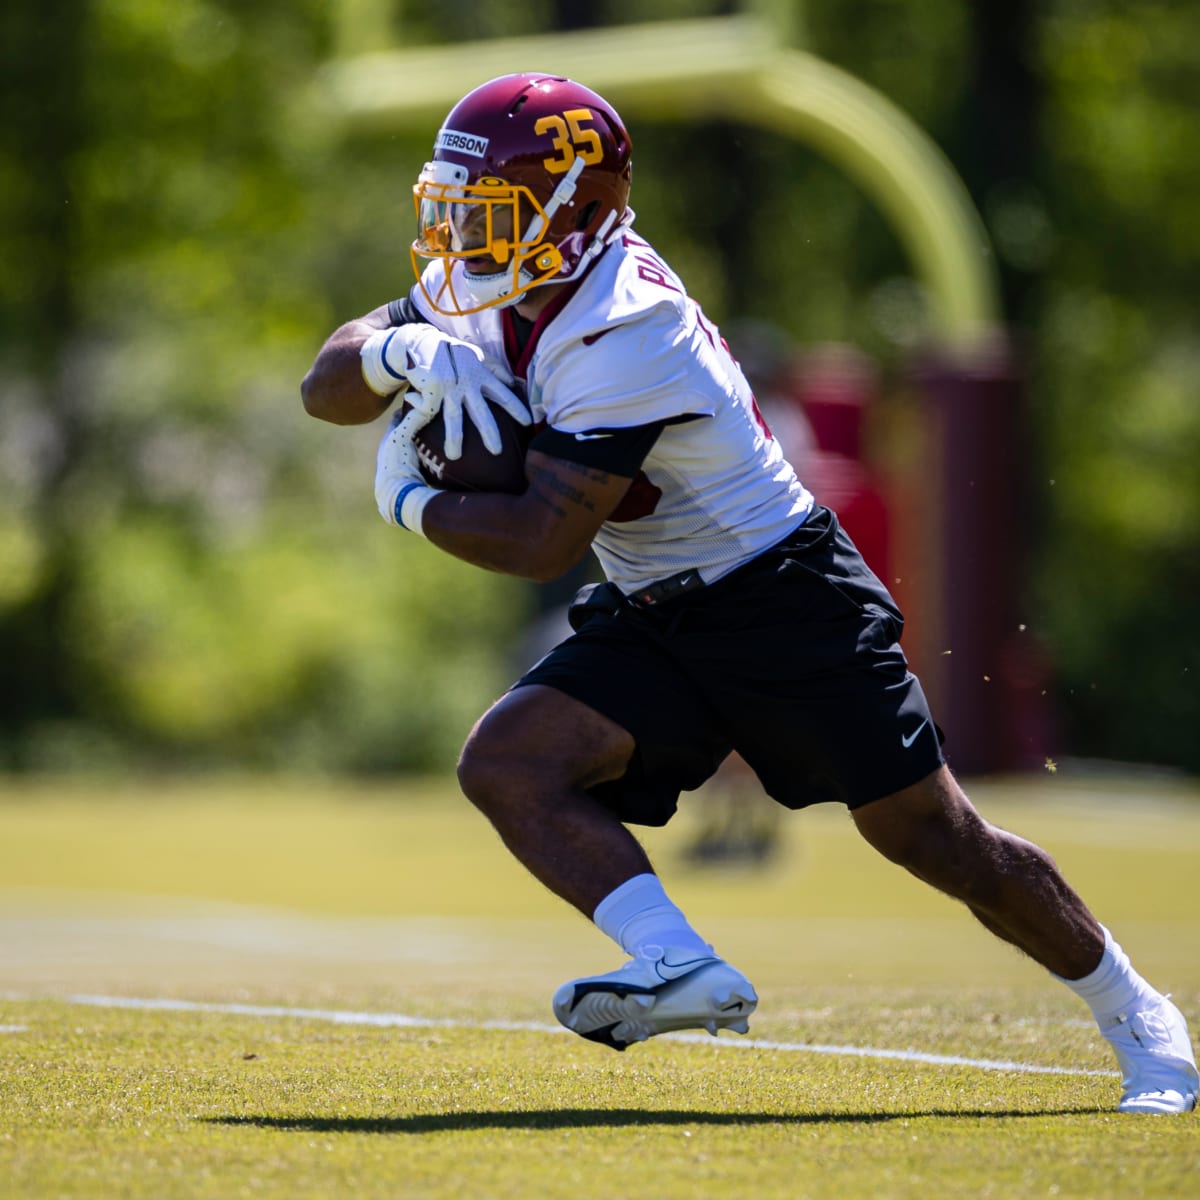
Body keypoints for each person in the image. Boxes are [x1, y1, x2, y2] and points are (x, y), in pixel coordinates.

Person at [301, 73, 1197, 1114]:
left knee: (932, 837)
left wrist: (409, 501)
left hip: (781, 596)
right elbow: (324, 388)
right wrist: (391, 347)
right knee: (512, 760)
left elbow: (545, 539)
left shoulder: (624, 326)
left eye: (487, 211)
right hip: (656, 602)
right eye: (451, 209)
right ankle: (678, 963)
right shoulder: (504, 278)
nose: (459, 237)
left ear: (579, 209)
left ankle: (1137, 1011)